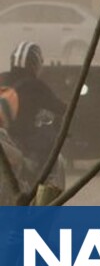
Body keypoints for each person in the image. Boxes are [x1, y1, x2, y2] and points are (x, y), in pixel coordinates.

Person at [0, 42, 65, 176]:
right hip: (19, 137)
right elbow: (60, 108)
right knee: (49, 135)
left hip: (5, 136)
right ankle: (36, 173)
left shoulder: (2, 77)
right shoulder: (35, 85)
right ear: (35, 65)